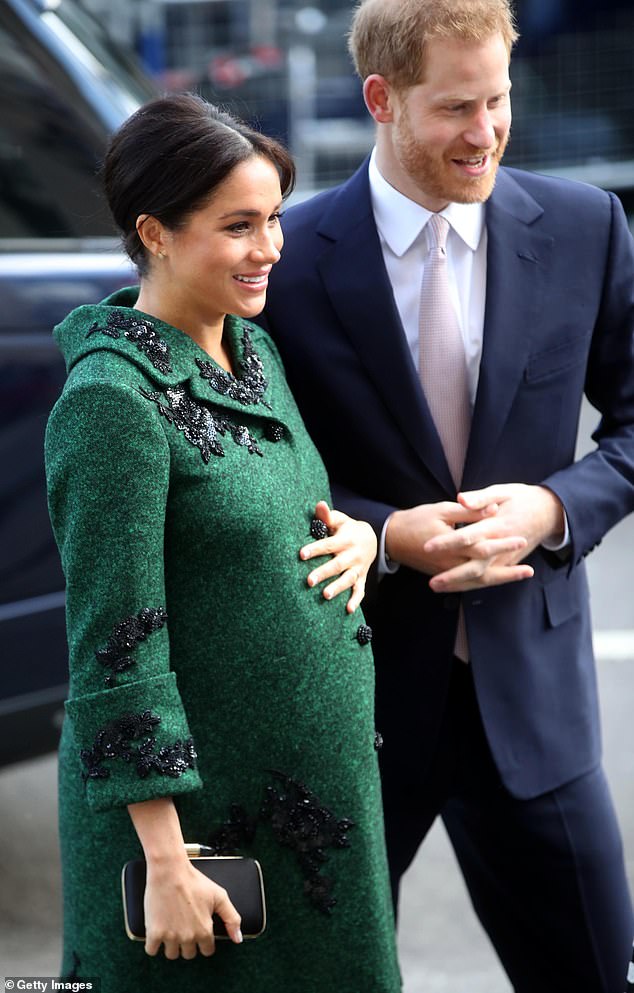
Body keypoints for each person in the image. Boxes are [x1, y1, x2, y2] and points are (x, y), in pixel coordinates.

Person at [259, 1, 634, 990]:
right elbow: (252, 467)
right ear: (381, 99)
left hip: (535, 702)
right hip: (350, 703)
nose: (486, 133)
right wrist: (385, 538)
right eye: (456, 108)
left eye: (499, 100)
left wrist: (556, 509)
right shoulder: (286, 263)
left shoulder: (586, 227)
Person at [44, 92, 402, 993]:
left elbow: (274, 515)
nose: (272, 248)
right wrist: (166, 862)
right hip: (202, 840)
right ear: (155, 231)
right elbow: (113, 646)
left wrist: (355, 535)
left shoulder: (251, 349)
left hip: (318, 815)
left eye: (275, 217)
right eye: (239, 226)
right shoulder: (110, 404)